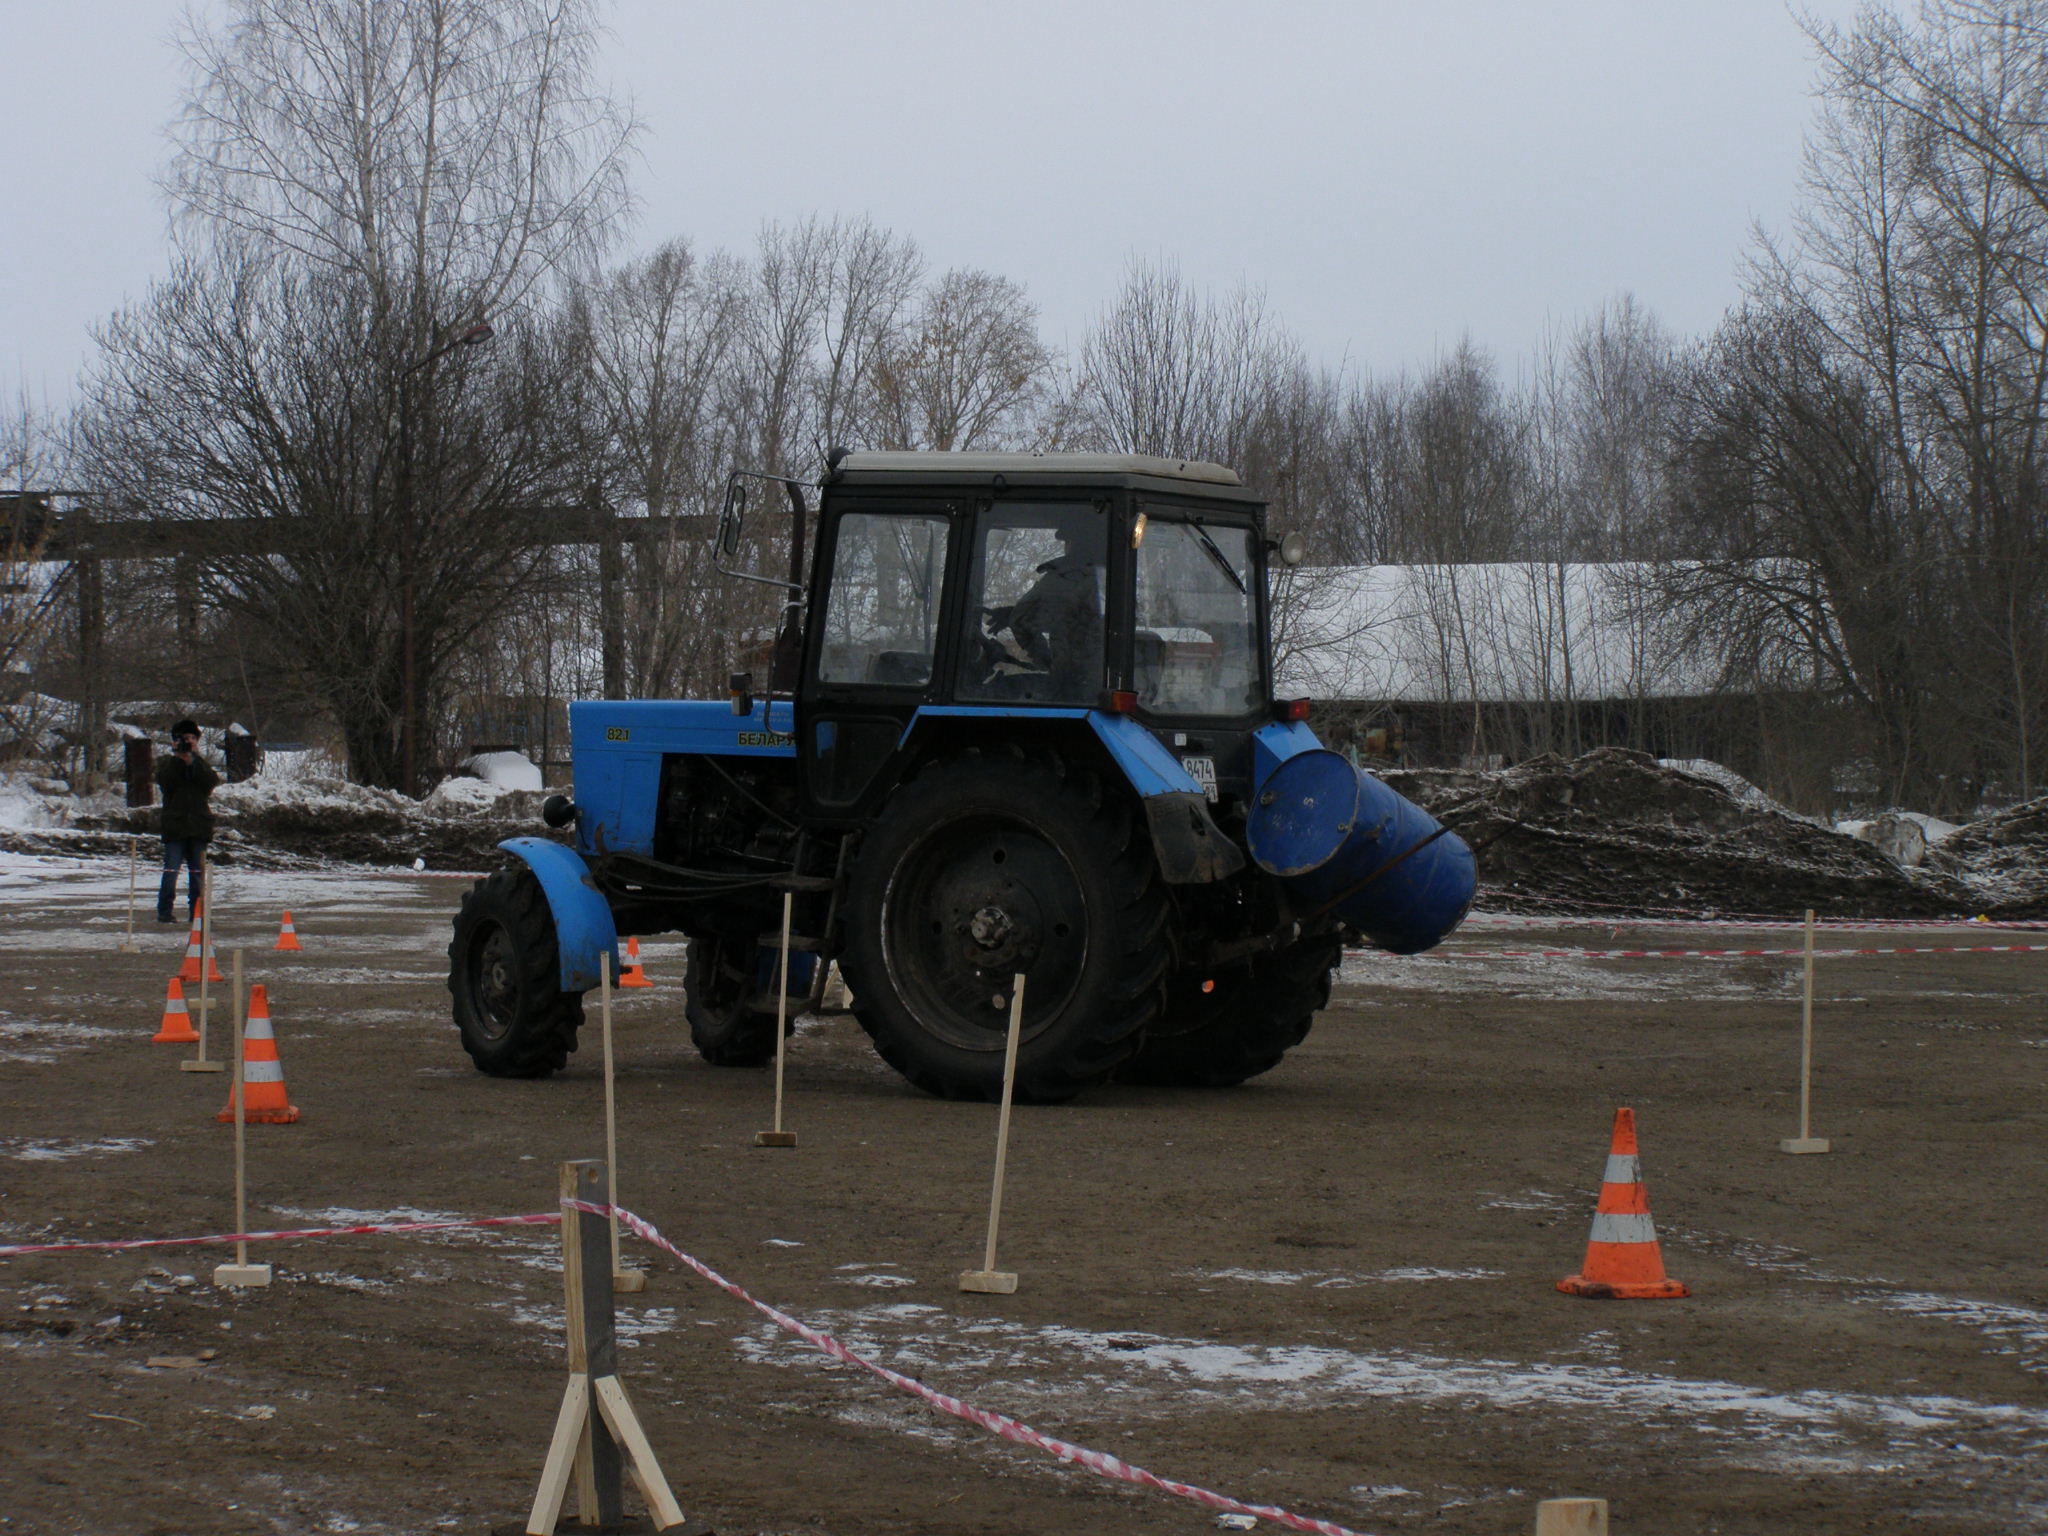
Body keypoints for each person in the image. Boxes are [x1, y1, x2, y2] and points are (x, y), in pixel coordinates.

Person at [984, 513, 1104, 698]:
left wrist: (1045, 661)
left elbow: (1022, 621)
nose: (1066, 546)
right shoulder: (1115, 577)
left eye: (1068, 540)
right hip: (1102, 681)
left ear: (1075, 542)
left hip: (1074, 682)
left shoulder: (1066, 576)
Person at [154, 718, 219, 923]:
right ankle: (165, 911)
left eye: (191, 738)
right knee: (171, 871)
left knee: (197, 873)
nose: (187, 742)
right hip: (175, 826)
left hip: (198, 826)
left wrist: (193, 760)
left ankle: (197, 912)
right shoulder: (168, 764)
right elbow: (165, 783)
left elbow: (210, 783)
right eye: (184, 739)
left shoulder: (201, 763)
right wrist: (177, 758)